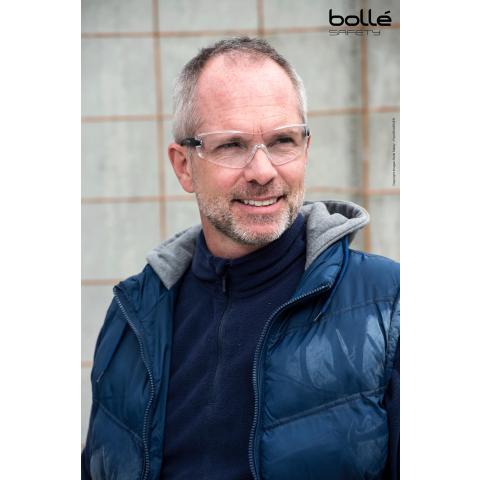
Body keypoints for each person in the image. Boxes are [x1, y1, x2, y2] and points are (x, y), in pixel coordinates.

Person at [82, 37, 399, 480]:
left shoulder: (389, 305)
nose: (263, 171)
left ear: (306, 150)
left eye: (283, 140)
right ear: (184, 166)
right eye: (231, 145)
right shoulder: (132, 317)